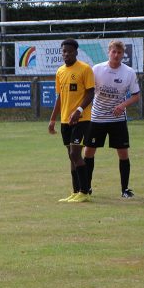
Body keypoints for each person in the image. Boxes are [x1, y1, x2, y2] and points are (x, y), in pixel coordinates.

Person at [81, 40, 141, 200]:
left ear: (123, 55)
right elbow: (88, 91)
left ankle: (125, 189)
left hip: (118, 120)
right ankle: (86, 187)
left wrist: (123, 105)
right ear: (109, 52)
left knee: (123, 153)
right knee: (88, 151)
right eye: (113, 52)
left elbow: (136, 96)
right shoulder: (97, 69)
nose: (116, 55)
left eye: (119, 53)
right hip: (97, 117)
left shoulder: (129, 72)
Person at [48, 39, 95, 203]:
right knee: (71, 155)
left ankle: (85, 191)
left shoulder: (85, 69)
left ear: (76, 52)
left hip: (82, 119)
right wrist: (53, 119)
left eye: (69, 51)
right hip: (65, 121)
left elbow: (90, 93)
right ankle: (75, 191)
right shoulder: (60, 71)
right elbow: (60, 97)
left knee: (75, 153)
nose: (66, 54)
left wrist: (79, 110)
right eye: (64, 51)